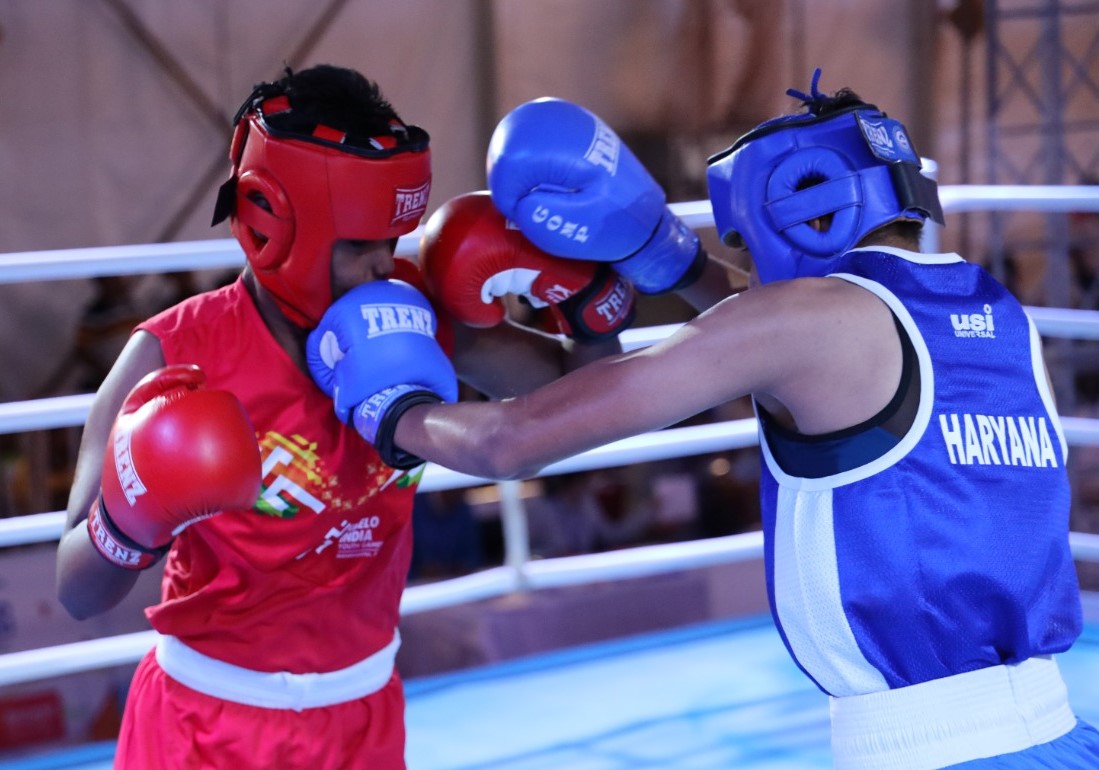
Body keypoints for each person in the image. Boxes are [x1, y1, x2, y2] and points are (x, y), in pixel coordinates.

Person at [308, 71, 1099, 768]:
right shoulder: (994, 313)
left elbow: (508, 442)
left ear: (802, 214)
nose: (748, 263)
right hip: (1056, 729)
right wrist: (669, 259)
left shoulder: (804, 323)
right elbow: (790, 335)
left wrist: (392, 407)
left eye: (744, 244)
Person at [54, 64, 714, 769]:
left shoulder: (413, 309)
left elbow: (575, 398)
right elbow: (77, 591)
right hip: (202, 723)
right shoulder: (172, 354)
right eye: (358, 245)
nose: (381, 265)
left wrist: (587, 308)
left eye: (390, 240)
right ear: (274, 222)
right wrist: (130, 519)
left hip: (361, 715)